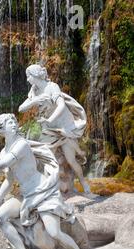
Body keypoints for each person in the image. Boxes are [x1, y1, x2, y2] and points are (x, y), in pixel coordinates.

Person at [0, 114, 94, 249]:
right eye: (8, 122)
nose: (13, 124)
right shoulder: (3, 152)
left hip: (43, 192)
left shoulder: (21, 144)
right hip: (26, 195)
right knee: (0, 216)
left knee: (54, 232)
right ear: (1, 128)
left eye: (14, 121)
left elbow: (5, 163)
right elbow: (9, 179)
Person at [18, 64, 91, 194]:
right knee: (46, 159)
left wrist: (50, 120)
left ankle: (84, 183)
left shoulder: (52, 87)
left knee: (71, 160)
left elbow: (61, 105)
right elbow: (21, 108)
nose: (27, 79)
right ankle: (48, 188)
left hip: (63, 126)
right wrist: (35, 101)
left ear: (36, 75)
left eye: (29, 76)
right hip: (49, 129)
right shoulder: (34, 91)